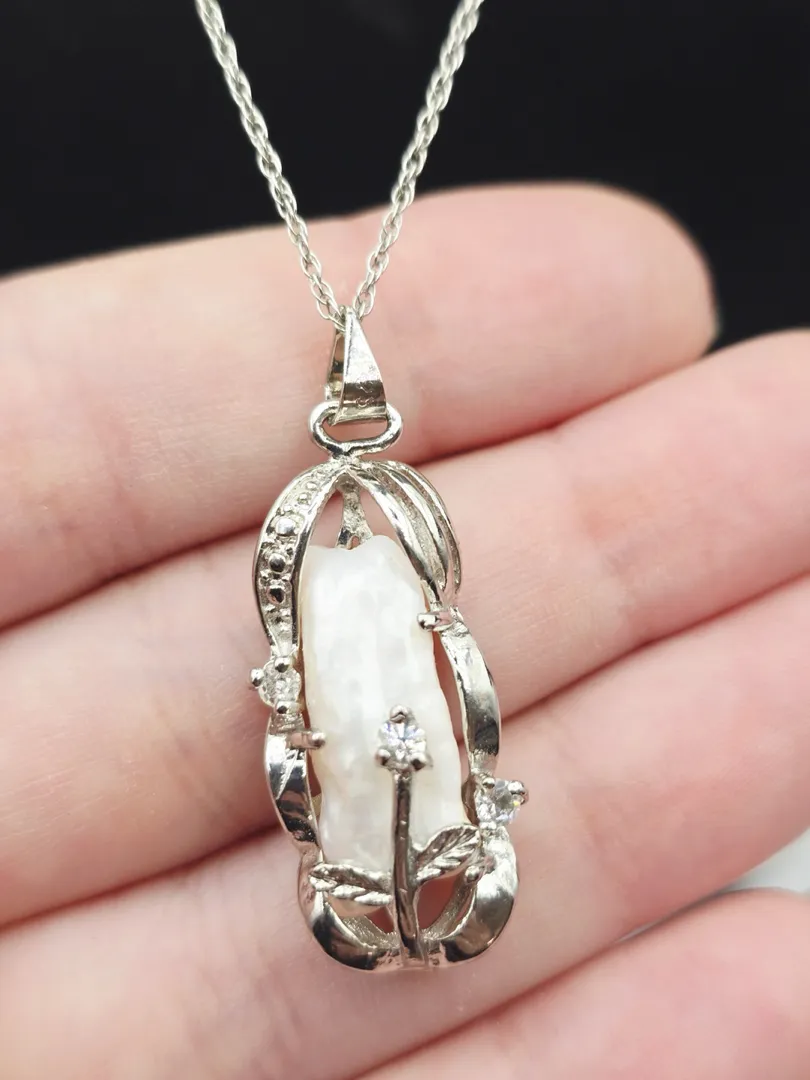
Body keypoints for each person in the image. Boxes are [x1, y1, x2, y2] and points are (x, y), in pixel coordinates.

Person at [0, 183, 809, 1076]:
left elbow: (459, 677)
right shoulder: (334, 585)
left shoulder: (398, 588)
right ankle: (397, 908)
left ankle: (423, 903)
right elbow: (314, 708)